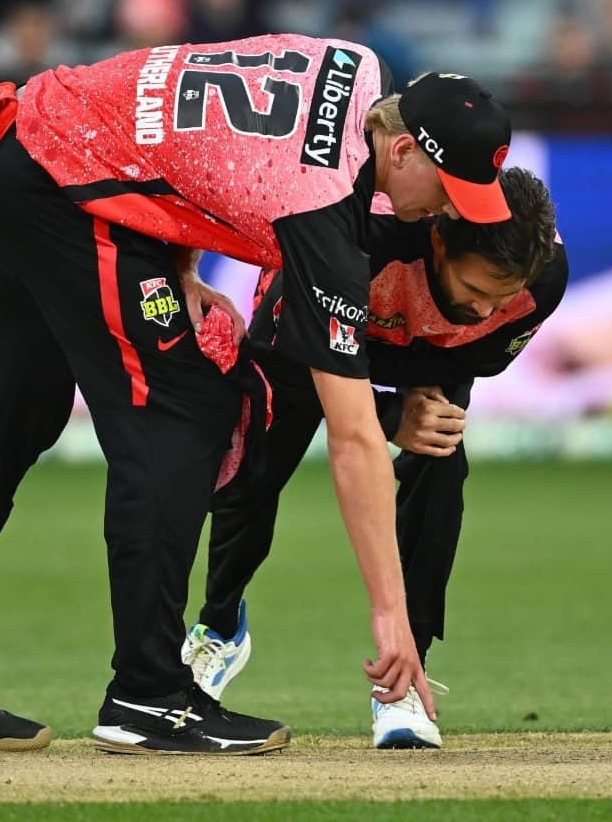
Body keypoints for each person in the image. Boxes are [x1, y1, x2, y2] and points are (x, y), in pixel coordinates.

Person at [0, 35, 513, 755]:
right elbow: (356, 434)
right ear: (401, 153)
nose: (448, 215)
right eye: (451, 193)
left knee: (7, 419)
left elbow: (187, 120)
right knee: (183, 413)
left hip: (27, 142)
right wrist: (392, 616)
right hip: (68, 184)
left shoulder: (354, 63)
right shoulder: (322, 200)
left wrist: (180, 264)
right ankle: (148, 695)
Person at [181, 167, 567, 748]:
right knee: (253, 470)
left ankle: (404, 678)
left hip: (427, 353)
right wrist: (386, 418)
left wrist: (415, 406)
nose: (489, 309)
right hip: (308, 334)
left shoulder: (542, 283)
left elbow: (476, 353)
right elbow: (284, 357)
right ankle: (219, 623)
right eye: (477, 289)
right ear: (439, 240)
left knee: (439, 459)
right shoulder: (363, 238)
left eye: (502, 297)